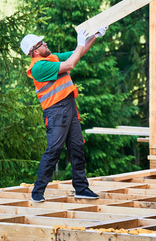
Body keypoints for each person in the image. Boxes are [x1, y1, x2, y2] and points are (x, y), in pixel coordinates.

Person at [20, 27, 107, 202]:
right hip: (55, 111)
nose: (46, 44)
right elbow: (70, 64)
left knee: (77, 147)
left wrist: (94, 37)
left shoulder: (51, 57)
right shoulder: (38, 67)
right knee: (54, 149)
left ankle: (81, 188)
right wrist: (80, 42)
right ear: (35, 51)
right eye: (42, 43)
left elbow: (78, 53)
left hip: (68, 106)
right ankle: (38, 191)